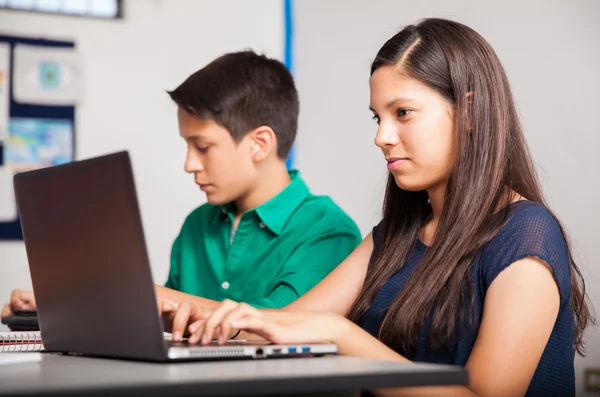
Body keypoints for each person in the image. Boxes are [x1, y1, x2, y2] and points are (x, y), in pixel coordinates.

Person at [163, 19, 593, 397]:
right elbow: (279, 326)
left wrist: (340, 333)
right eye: (377, 118)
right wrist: (162, 305)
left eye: (402, 113)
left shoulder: (526, 235)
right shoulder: (394, 237)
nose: (382, 136)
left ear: (470, 112)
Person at [2, 51, 362, 330]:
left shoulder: (327, 232)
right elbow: (164, 318)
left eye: (202, 147)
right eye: (186, 147)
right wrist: (63, 306)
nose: (189, 164)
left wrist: (151, 296)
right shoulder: (197, 225)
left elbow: (278, 328)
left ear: (260, 144)